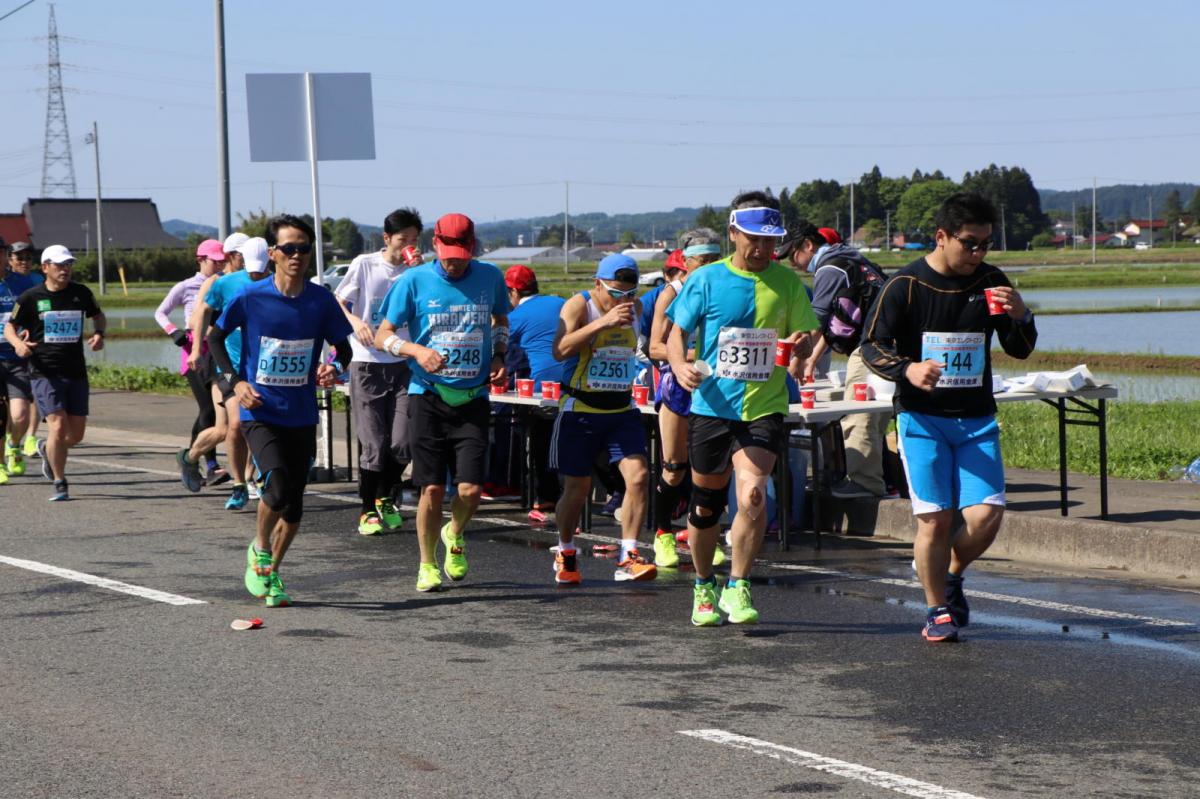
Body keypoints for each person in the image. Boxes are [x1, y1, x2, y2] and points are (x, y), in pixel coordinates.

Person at [860, 192, 1037, 643]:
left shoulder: (992, 281)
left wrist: (1023, 314)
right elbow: (870, 346)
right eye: (969, 244)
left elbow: (1019, 346)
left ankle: (952, 573)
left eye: (985, 244)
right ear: (941, 237)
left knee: (986, 517)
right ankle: (936, 608)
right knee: (936, 520)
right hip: (922, 418)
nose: (978, 254)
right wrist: (909, 369)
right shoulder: (905, 285)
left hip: (976, 417)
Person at [666, 191, 819, 625]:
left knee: (752, 494)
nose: (763, 249)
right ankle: (703, 584)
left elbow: (805, 334)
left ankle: (738, 585)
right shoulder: (706, 279)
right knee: (705, 506)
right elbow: (677, 333)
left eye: (771, 241)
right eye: (754, 238)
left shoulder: (788, 283)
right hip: (712, 405)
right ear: (733, 233)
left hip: (764, 405)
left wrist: (800, 347)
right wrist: (679, 366)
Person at [207, 215, 354, 608]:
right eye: (288, 248)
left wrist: (333, 368)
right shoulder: (252, 297)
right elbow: (215, 337)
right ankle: (259, 548)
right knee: (276, 483)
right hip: (260, 410)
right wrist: (234, 382)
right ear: (272, 253)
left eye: (303, 248)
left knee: (294, 503)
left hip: (302, 412)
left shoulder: (321, 299)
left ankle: (272, 573)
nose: (296, 255)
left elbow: (346, 349)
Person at [374, 213, 509, 593]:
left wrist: (499, 354)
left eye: (461, 254)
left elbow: (500, 318)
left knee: (469, 491)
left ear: (472, 248)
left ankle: (455, 531)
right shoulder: (414, 281)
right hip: (428, 395)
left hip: (473, 398)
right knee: (431, 489)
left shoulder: (490, 277)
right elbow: (383, 335)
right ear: (435, 245)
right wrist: (416, 350)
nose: (454, 261)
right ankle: (427, 562)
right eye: (448, 253)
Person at [549, 253, 653, 585]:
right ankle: (565, 550)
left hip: (621, 410)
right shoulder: (579, 306)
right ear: (597, 284)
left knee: (637, 477)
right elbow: (559, 350)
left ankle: (629, 555)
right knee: (578, 489)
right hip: (580, 410)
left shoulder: (635, 310)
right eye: (615, 293)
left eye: (630, 293)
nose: (624, 300)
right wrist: (601, 324)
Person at [335, 207, 422, 535]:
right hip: (368, 362)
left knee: (403, 442)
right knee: (374, 443)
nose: (409, 245)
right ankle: (367, 509)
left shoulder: (418, 272)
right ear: (387, 239)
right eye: (403, 240)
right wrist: (356, 322)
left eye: (415, 239)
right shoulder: (365, 264)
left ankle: (385, 493)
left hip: (404, 363)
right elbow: (338, 301)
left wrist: (423, 273)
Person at [645, 228, 723, 568]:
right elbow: (654, 347)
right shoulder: (671, 294)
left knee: (707, 470)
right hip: (678, 384)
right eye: (701, 261)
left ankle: (700, 534)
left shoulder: (724, 287)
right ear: (686, 262)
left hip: (715, 385)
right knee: (675, 467)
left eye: (714, 260)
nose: (707, 267)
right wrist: (690, 354)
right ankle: (662, 533)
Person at [4, 245, 106, 501]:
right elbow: (10, 328)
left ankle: (45, 448)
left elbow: (98, 316)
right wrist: (18, 344)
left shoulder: (80, 293)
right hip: (43, 372)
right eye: (59, 265)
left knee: (75, 435)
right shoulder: (30, 297)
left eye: (68, 264)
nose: (65, 269)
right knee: (58, 427)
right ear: (45, 267)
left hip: (76, 371)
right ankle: (60, 481)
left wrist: (98, 334)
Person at [180, 236, 272, 509]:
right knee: (233, 425)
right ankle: (236, 483)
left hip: (262, 366)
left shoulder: (276, 281)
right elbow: (200, 315)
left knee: (250, 425)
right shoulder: (223, 283)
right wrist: (196, 349)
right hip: (227, 364)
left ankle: (248, 477)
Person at [803, 228, 891, 500]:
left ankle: (865, 484)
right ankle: (880, 480)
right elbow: (835, 322)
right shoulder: (856, 261)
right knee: (877, 416)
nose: (792, 263)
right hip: (890, 345)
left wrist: (797, 356)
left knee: (858, 412)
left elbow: (816, 319)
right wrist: (812, 361)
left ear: (807, 246)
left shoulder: (829, 268)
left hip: (869, 347)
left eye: (790, 255)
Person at [504, 263, 566, 523]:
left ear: (513, 292)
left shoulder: (515, 316)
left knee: (538, 436)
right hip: (575, 381)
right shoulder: (562, 302)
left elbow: (502, 351)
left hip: (542, 387)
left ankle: (545, 497)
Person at [165, 239, 228, 488]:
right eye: (215, 260)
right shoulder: (187, 286)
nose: (220, 264)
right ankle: (204, 463)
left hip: (218, 352)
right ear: (200, 260)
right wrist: (172, 331)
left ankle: (202, 463)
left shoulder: (226, 284)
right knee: (208, 411)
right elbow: (160, 312)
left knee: (213, 412)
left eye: (223, 260)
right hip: (194, 354)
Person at [0, 239, 38, 483]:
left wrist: (32, 331)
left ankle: (14, 447)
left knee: (20, 415)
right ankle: (1, 465)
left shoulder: (22, 282)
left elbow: (37, 310)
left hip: (16, 356)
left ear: (5, 256)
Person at [6, 241, 43, 460]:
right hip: (10, 349)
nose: (24, 262)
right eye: (19, 258)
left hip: (34, 344)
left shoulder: (37, 280)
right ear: (9, 259)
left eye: (28, 258)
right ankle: (13, 439)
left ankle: (31, 436)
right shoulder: (8, 283)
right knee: (14, 407)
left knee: (37, 392)